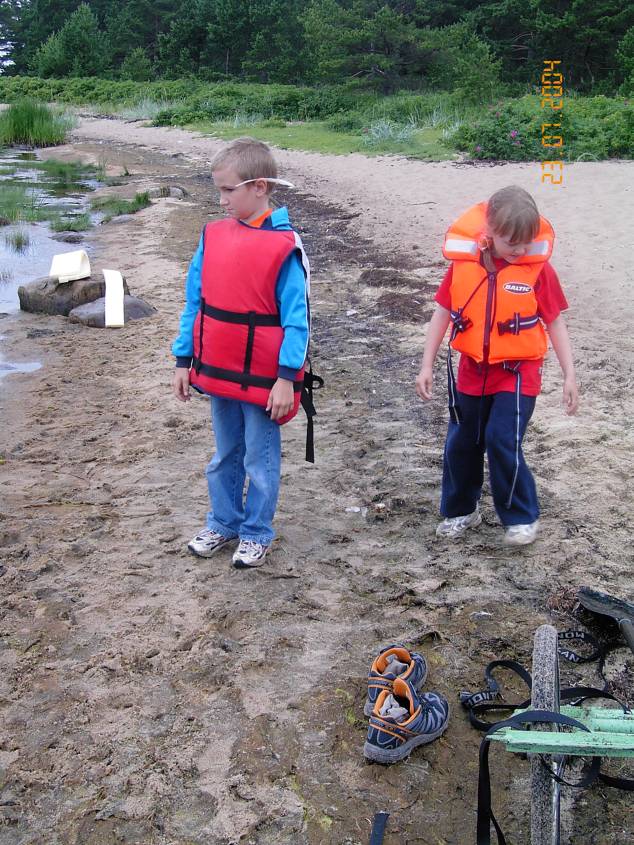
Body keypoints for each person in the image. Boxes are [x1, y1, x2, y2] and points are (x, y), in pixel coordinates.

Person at [172, 137, 310, 568]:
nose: (222, 200)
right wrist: (183, 360)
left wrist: (287, 378)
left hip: (265, 380)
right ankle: (223, 522)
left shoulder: (286, 246)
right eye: (219, 190)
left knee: (259, 458)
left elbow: (298, 321)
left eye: (228, 190)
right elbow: (195, 302)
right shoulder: (212, 236)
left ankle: (255, 532)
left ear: (260, 187)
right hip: (218, 370)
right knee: (224, 455)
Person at [415, 185, 578, 546]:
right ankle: (461, 510)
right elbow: (442, 312)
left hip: (518, 371)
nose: (519, 251)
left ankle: (521, 517)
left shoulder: (539, 271)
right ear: (489, 230)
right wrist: (426, 365)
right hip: (472, 368)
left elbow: (554, 322)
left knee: (501, 438)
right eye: (511, 243)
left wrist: (570, 374)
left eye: (526, 243)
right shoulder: (463, 264)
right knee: (463, 442)